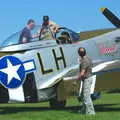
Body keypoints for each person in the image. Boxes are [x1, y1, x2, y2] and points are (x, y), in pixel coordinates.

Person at [77, 47, 95, 115]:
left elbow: (82, 73)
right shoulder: (88, 58)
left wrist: (76, 81)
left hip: (87, 79)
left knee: (86, 96)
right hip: (87, 78)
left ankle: (91, 112)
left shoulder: (84, 61)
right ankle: (84, 110)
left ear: (79, 53)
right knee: (83, 96)